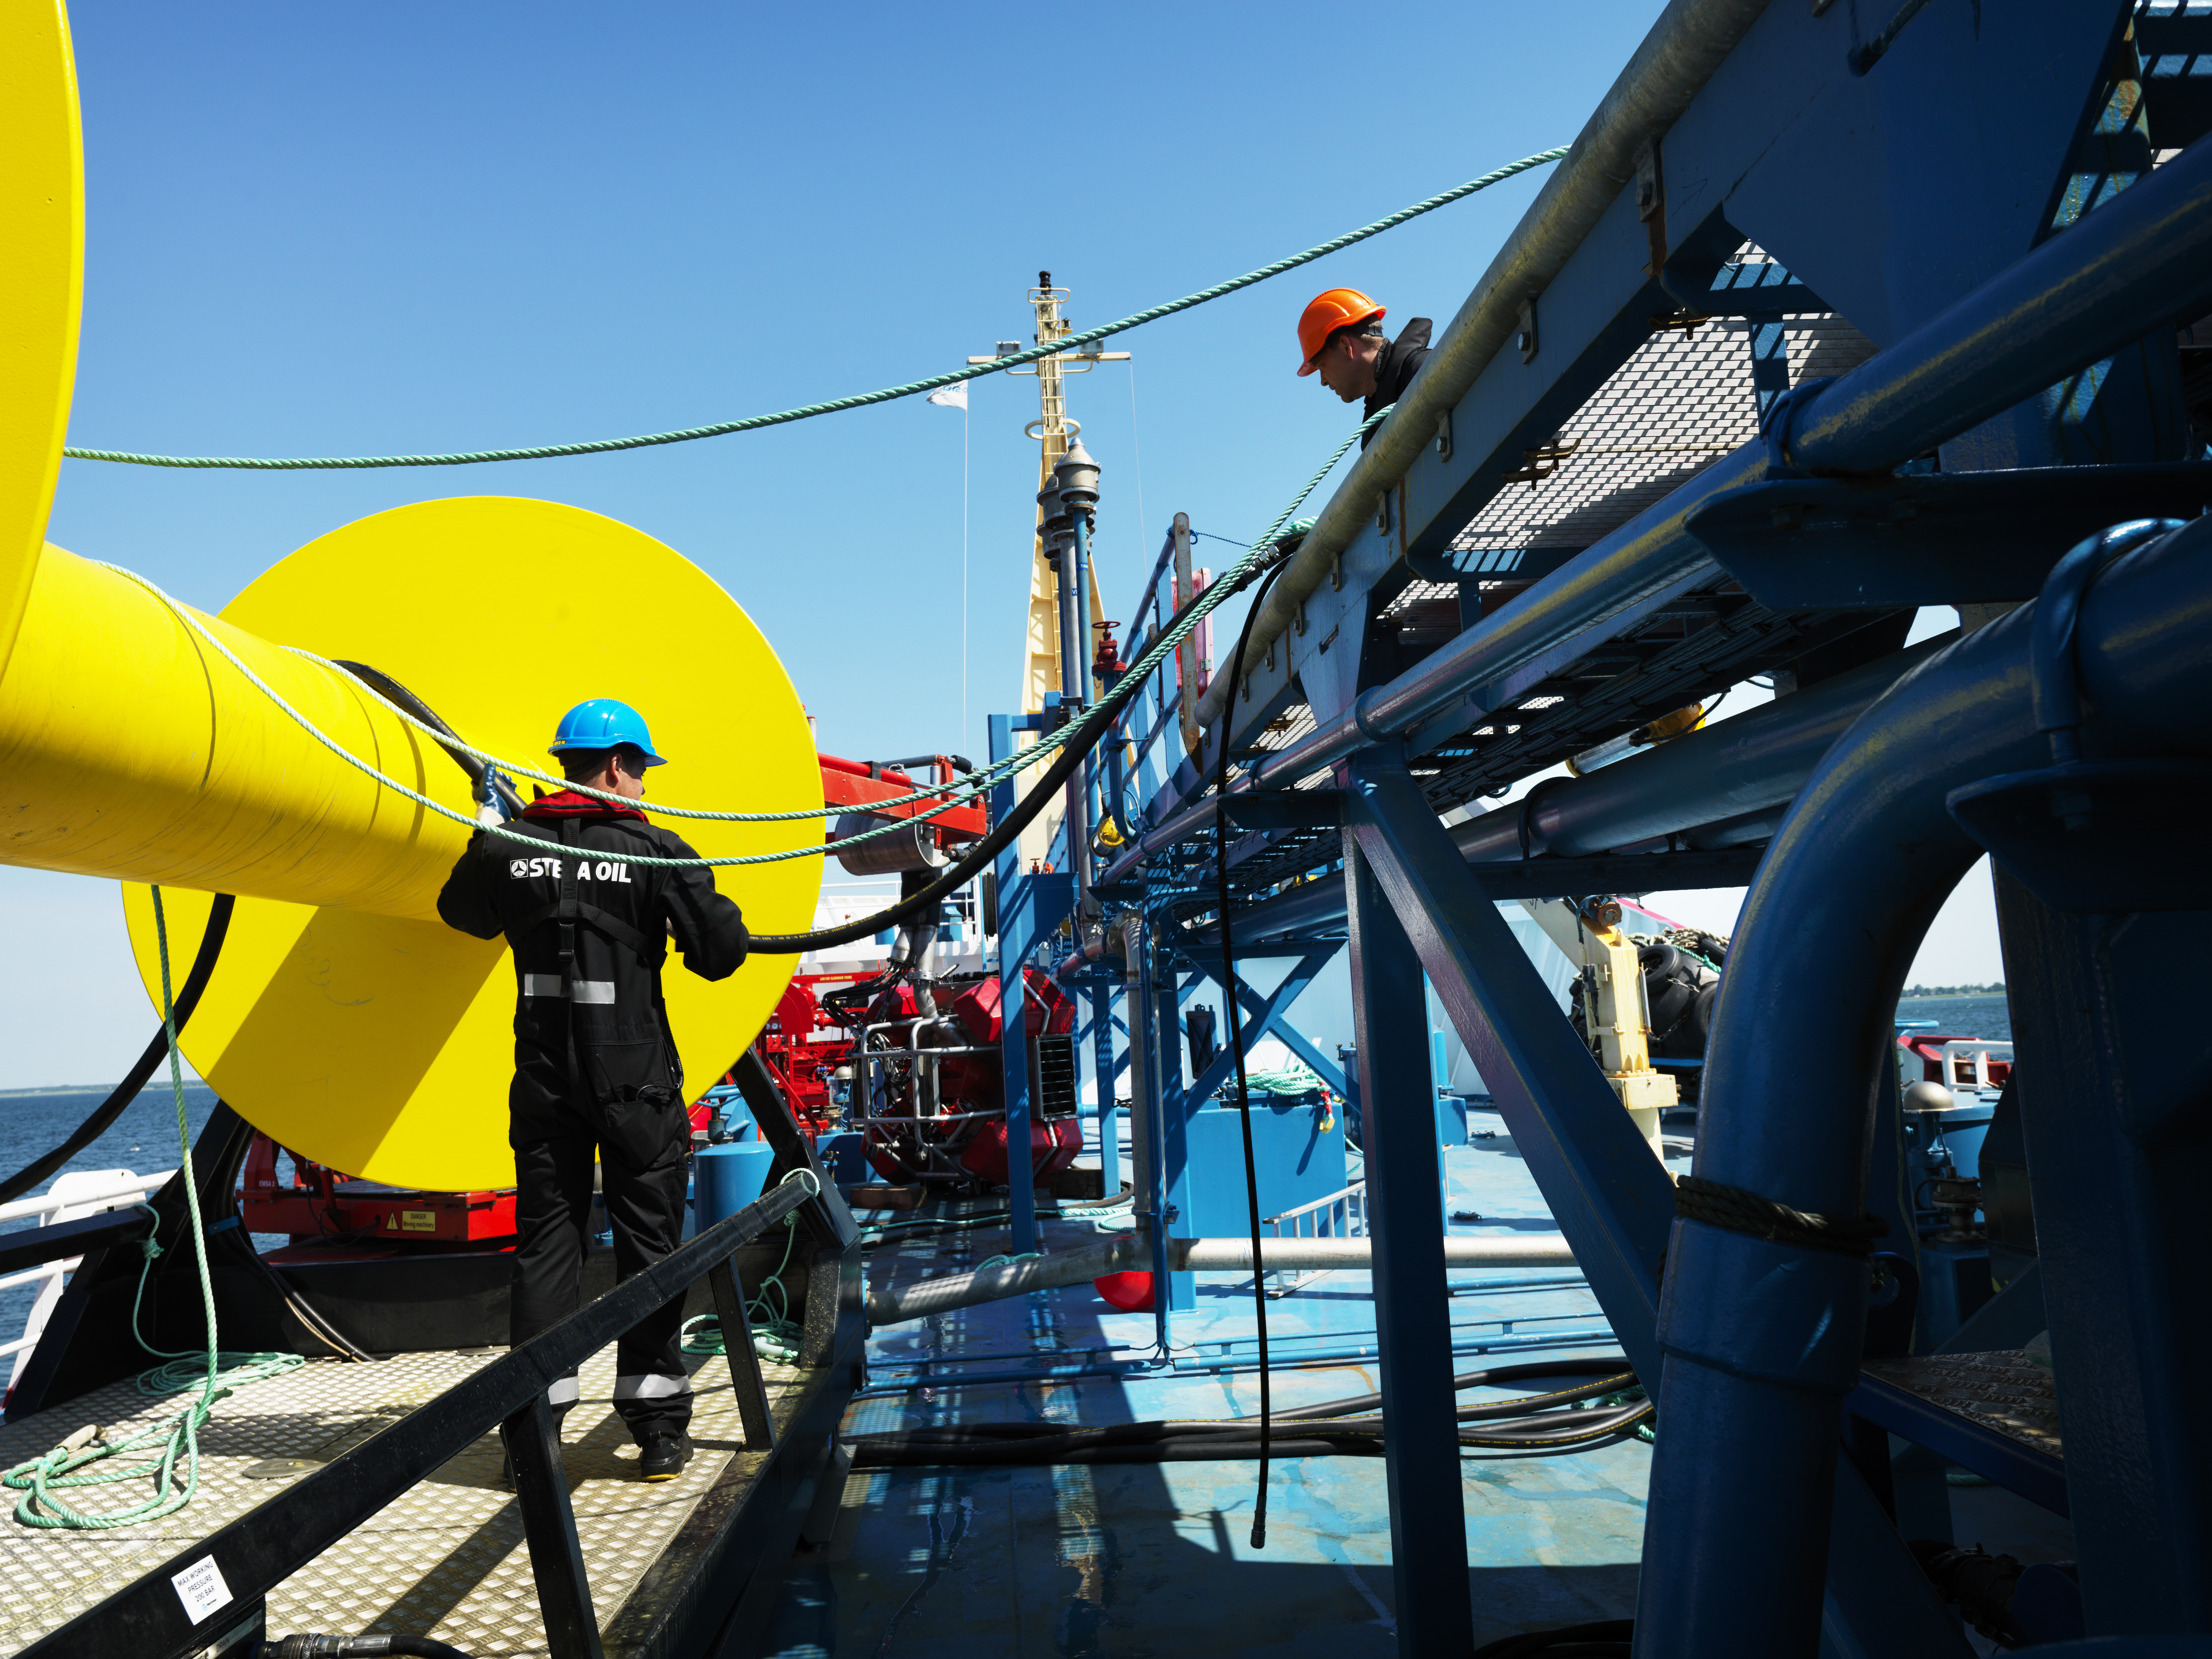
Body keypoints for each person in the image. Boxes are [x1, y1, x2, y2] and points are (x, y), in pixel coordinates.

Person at [438, 697, 748, 1482]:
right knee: (649, 1247)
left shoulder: (512, 846)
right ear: (615, 764)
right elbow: (721, 954)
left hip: (545, 1078)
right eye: (640, 767)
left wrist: (488, 831)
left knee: (547, 1247)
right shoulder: (652, 848)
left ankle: (532, 1436)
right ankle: (659, 1433)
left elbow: (459, 914)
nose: (642, 782)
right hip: (634, 1080)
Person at [1294, 287, 1433, 445]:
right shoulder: (1372, 430)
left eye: (1322, 367)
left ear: (1346, 347)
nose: (1323, 381)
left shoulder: (1422, 370)